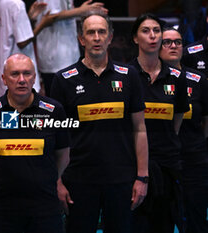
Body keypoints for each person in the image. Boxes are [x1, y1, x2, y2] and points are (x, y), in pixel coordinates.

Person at [51, 11, 149, 233]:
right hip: (78, 181)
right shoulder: (63, 80)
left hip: (122, 180)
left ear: (110, 37)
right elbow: (56, 138)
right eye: (91, 32)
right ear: (81, 39)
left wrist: (142, 177)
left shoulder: (129, 76)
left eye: (101, 32)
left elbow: (140, 128)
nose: (96, 37)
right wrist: (57, 181)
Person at [0, 53, 70, 233]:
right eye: (15, 74)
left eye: (27, 74)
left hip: (44, 209)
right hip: (0, 210)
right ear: (4, 78)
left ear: (35, 78)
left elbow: (63, 155)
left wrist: (47, 179)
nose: (21, 80)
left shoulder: (53, 111)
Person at [129, 13, 189, 233]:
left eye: (156, 31)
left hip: (167, 165)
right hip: (132, 167)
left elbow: (177, 121)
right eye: (146, 31)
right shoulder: (125, 75)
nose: (152, 36)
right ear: (135, 38)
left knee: (163, 225)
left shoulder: (176, 77)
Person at [159, 28, 208, 233]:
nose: (173, 46)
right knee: (162, 217)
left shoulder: (199, 80)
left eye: (178, 42)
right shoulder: (147, 79)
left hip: (193, 158)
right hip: (161, 159)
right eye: (167, 42)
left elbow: (206, 120)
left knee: (196, 215)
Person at [35, 0, 107, 96]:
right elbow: (51, 16)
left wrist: (81, 10)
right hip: (56, 59)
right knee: (58, 104)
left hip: (69, 56)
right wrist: (80, 11)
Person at [0, 0, 56, 97]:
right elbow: (22, 42)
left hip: (6, 65)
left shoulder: (0, 2)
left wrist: (28, 18)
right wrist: (43, 24)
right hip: (20, 68)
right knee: (27, 108)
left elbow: (11, 28)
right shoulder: (18, 4)